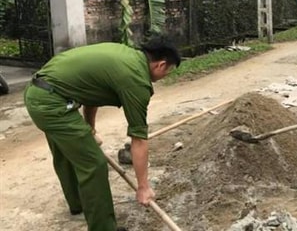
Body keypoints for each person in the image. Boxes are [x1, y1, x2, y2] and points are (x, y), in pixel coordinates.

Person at [24, 36, 181, 231]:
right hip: (53, 104)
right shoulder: (136, 80)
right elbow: (139, 139)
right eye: (169, 71)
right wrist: (143, 187)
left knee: (68, 153)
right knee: (94, 165)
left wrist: (90, 129)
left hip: (40, 93)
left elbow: (91, 93)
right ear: (161, 65)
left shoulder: (125, 56)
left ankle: (78, 204)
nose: (167, 75)